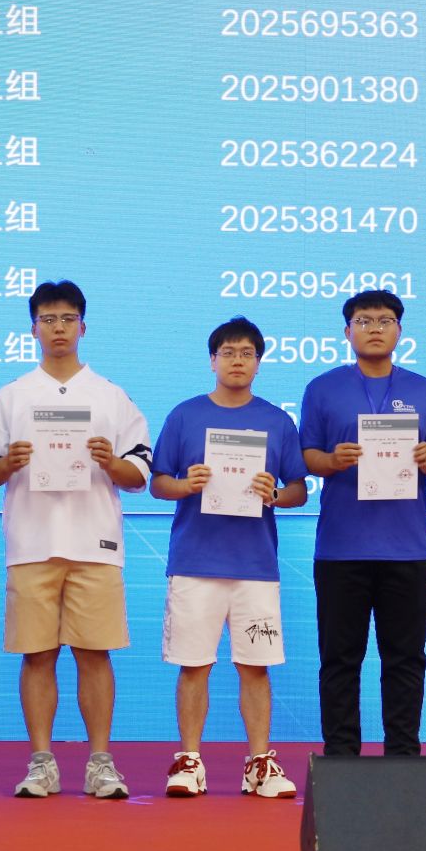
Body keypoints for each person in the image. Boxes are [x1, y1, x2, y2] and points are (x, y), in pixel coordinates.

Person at [0, 280, 152, 800]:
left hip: (95, 543)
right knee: (37, 655)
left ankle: (100, 763)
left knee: (95, 655)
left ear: (83, 327)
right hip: (31, 542)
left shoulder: (110, 395)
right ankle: (41, 763)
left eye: (67, 319)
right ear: (33, 328)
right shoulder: (12, 395)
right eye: (47, 319)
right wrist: (8, 463)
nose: (58, 328)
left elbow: (140, 472)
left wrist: (110, 461)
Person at [149, 317, 311, 798]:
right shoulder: (185, 416)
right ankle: (189, 760)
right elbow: (159, 482)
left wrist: (274, 494)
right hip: (195, 562)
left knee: (255, 666)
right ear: (212, 360)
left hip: (255, 566)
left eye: (246, 353)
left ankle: (259, 763)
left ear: (258, 363)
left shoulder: (277, 421)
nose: (237, 361)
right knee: (193, 665)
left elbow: (299, 489)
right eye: (227, 352)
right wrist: (186, 485)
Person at [301, 289, 426, 757]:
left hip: (406, 550)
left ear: (399, 331)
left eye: (384, 320)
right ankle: (340, 758)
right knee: (339, 660)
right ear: (347, 331)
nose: (374, 328)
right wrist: (332, 460)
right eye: (363, 321)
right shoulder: (322, 388)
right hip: (340, 549)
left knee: (405, 660)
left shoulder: (425, 390)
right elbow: (307, 456)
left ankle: (402, 757)